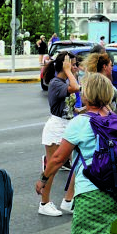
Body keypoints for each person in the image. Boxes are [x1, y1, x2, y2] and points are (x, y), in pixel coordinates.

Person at [35, 73, 117, 234]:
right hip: (116, 192)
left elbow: (58, 158)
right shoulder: (116, 119)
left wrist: (43, 179)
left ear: (87, 94)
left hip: (92, 192)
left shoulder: (82, 122)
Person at [39, 51, 80, 216]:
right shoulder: (57, 82)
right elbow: (76, 88)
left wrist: (80, 110)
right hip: (56, 128)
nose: (76, 67)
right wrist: (69, 71)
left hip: (68, 126)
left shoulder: (64, 81)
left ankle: (68, 201)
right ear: (65, 66)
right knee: (52, 167)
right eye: (73, 64)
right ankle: (44, 203)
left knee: (77, 163)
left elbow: (68, 106)